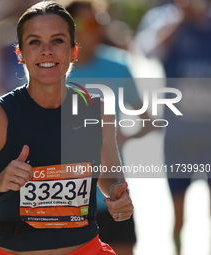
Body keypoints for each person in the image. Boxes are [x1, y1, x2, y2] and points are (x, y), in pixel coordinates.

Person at [0, 1, 133, 254]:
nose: (47, 51)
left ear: (73, 51)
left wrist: (119, 195)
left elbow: (109, 176)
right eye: (34, 42)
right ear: (20, 54)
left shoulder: (95, 109)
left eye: (58, 40)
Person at [66, 1, 155, 254]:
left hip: (113, 196)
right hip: (66, 200)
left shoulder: (118, 65)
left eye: (97, 22)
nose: (93, 30)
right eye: (84, 24)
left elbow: (148, 121)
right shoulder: (53, 74)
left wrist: (121, 135)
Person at [136, 0, 211, 254]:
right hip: (179, 137)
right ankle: (178, 250)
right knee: (178, 213)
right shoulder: (164, 18)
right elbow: (148, 51)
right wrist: (180, 18)